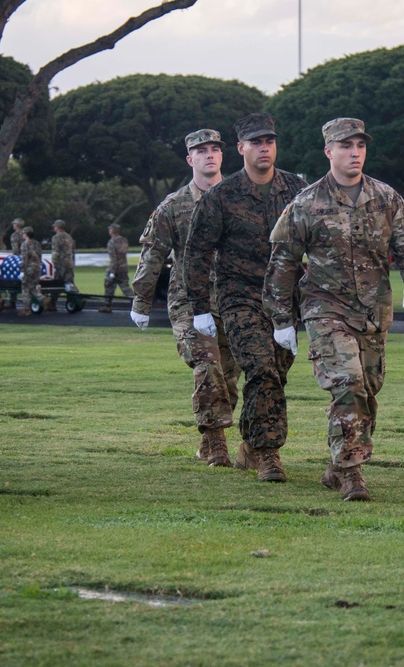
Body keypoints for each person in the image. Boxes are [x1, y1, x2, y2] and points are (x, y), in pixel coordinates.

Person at [264, 118, 404, 501]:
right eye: (345, 146)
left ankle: (335, 465)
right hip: (325, 309)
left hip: (374, 312)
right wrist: (280, 319)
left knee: (368, 392)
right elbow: (283, 263)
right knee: (348, 383)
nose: (354, 152)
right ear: (328, 152)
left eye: (359, 145)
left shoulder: (386, 197)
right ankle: (351, 472)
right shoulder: (307, 203)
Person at [183, 112, 307, 482]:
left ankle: (250, 448)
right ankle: (269, 454)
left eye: (269, 141)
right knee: (261, 369)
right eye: (256, 142)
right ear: (241, 148)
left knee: (276, 376)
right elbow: (197, 252)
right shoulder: (221, 196)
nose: (264, 148)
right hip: (240, 299)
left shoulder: (298, 190)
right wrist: (200, 307)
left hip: (285, 302)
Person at [130, 129, 242, 467]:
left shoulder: (241, 199)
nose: (209, 155)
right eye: (201, 150)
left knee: (229, 380)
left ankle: (209, 440)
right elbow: (153, 255)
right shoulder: (174, 205)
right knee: (207, 367)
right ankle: (218, 442)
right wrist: (141, 300)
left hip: (234, 301)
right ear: (189, 159)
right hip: (189, 304)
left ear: (223, 156)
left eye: (214, 150)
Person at [100, 223, 133, 312]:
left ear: (112, 231)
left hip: (115, 268)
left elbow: (114, 258)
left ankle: (107, 305)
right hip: (124, 267)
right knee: (125, 287)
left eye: (110, 229)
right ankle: (136, 304)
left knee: (109, 286)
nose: (109, 231)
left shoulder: (111, 242)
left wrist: (112, 272)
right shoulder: (124, 240)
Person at [47, 219, 76, 312]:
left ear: (57, 227)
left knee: (56, 284)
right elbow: (73, 251)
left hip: (60, 264)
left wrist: (54, 264)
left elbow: (55, 252)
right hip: (69, 263)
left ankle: (52, 303)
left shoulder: (56, 237)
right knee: (70, 283)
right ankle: (73, 300)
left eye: (55, 226)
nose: (54, 228)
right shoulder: (69, 237)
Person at [18, 225, 43, 317]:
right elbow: (40, 256)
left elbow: (24, 258)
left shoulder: (25, 244)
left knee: (25, 288)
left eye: (23, 233)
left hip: (29, 268)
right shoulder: (37, 244)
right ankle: (43, 299)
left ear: (26, 234)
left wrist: (22, 270)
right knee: (33, 287)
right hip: (37, 267)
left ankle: (26, 309)